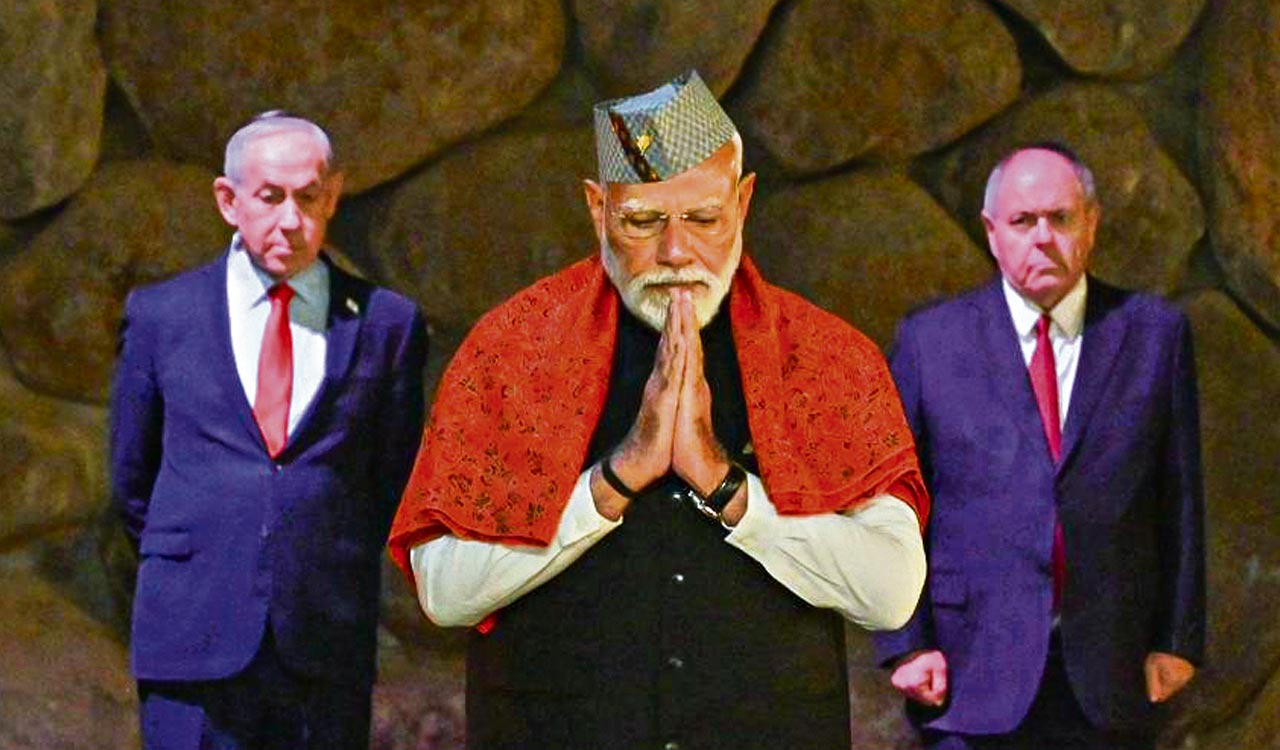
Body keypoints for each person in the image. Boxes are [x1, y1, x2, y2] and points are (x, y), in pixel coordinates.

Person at [386, 70, 931, 750]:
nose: (676, 253)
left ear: (743, 201)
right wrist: (614, 480)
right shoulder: (512, 349)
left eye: (703, 219)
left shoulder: (824, 357)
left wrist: (724, 484)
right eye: (643, 222)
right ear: (598, 209)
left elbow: (890, 592)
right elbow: (445, 591)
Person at [110, 112, 428, 749]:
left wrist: (312, 545)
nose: (290, 219)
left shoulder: (385, 324)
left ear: (332, 197)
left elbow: (389, 481)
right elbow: (131, 479)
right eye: (270, 197)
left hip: (322, 643)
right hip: (192, 640)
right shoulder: (162, 316)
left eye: (307, 198)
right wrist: (213, 544)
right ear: (228, 201)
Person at [873, 143, 1205, 750]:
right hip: (970, 667)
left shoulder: (1154, 336)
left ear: (1092, 223)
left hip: (1111, 666)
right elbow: (893, 502)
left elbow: (1179, 499)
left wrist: (1177, 639)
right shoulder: (931, 342)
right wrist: (907, 642)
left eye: (1061, 218)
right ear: (992, 232)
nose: (1043, 238)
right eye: (1024, 221)